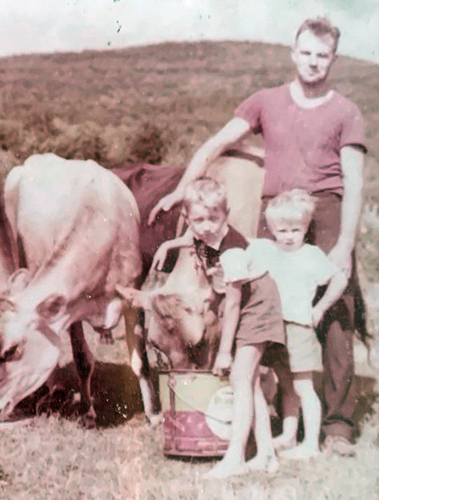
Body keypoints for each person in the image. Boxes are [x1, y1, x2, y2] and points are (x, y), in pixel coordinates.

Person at [149, 16, 366, 456]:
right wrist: (180, 189)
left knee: (336, 312)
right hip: (276, 210)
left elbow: (355, 181)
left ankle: (338, 424)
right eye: (305, 53)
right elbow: (214, 144)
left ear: (333, 59)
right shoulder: (266, 101)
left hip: (324, 210)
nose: (312, 62)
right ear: (293, 53)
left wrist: (344, 243)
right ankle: (276, 413)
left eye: (321, 55)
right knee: (269, 307)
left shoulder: (346, 111)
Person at [151, 178, 285, 479]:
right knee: (248, 383)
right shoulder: (201, 234)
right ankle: (265, 454)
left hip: (257, 305)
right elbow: (193, 240)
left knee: (239, 377)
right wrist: (169, 244)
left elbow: (236, 303)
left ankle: (235, 456)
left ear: (227, 215)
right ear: (188, 219)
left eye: (214, 218)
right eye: (198, 220)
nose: (207, 226)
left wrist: (224, 352)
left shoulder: (232, 252)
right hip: (245, 304)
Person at [251, 190, 347, 459]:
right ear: (271, 229)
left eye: (296, 229)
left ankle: (311, 445)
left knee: (304, 387)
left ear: (306, 228)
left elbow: (338, 280)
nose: (289, 236)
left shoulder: (311, 255)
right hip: (274, 327)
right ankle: (289, 435)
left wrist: (320, 307)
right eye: (282, 230)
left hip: (300, 328)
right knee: (287, 385)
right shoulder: (268, 251)